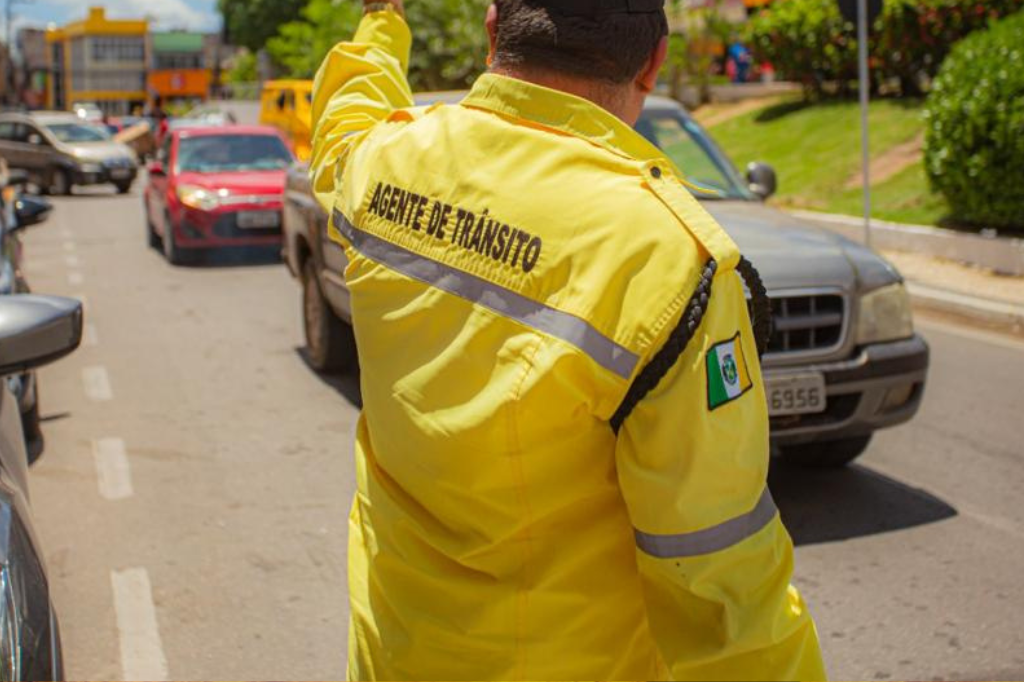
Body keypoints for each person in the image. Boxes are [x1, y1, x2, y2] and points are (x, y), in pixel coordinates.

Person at [310, 0, 826, 679]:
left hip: (393, 654)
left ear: (493, 30)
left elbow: (344, 119)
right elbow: (720, 576)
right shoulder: (664, 258)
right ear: (654, 63)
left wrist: (383, 18)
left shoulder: (386, 159)